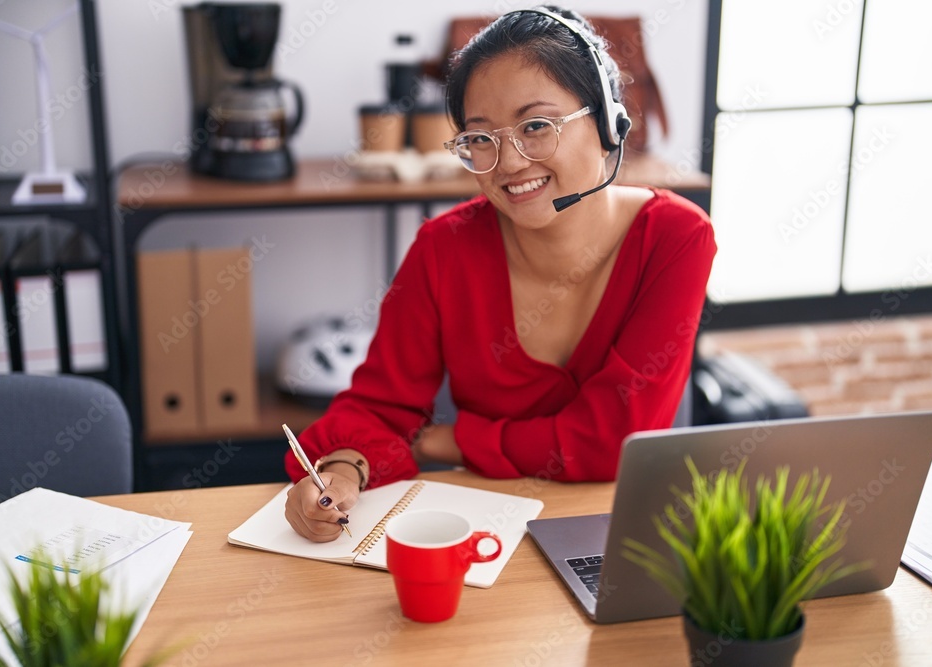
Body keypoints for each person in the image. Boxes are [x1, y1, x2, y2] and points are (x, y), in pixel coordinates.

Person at [284, 6, 716, 542]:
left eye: (536, 126)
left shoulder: (676, 238)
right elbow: (380, 407)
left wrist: (452, 440)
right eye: (481, 138)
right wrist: (342, 471)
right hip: (492, 528)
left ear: (608, 123)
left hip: (623, 527)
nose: (509, 163)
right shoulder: (444, 249)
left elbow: (610, 443)